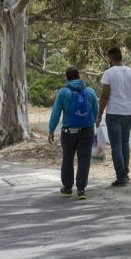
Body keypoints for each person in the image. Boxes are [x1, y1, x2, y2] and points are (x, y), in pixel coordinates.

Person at [48, 67, 100, 200]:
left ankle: (67, 188)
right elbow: (95, 110)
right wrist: (90, 122)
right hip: (87, 130)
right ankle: (81, 189)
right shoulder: (90, 91)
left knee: (68, 158)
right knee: (84, 159)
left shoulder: (63, 92)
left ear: (67, 77)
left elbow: (56, 113)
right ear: (79, 76)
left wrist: (51, 130)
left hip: (69, 131)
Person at [96, 46, 131, 187]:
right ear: (121, 57)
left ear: (110, 58)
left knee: (116, 146)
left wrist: (99, 114)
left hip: (114, 113)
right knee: (124, 144)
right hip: (129, 113)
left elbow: (104, 96)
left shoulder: (109, 73)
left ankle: (121, 177)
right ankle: (125, 173)